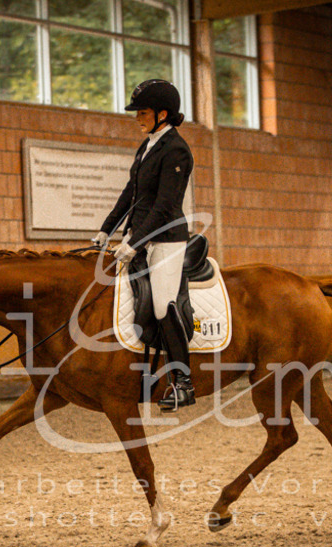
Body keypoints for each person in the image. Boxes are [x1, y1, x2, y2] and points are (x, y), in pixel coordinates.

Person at [91, 79, 195, 412]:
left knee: (163, 304)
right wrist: (106, 230)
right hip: (140, 236)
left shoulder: (177, 149)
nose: (138, 118)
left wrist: (135, 242)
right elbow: (131, 195)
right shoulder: (148, 145)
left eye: (144, 112)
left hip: (166, 239)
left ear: (163, 113)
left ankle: (183, 382)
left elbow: (165, 205)